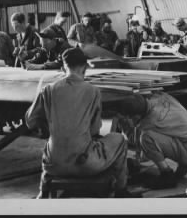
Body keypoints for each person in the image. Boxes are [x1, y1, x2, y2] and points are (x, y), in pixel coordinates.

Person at [25, 48, 131, 198]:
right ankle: (121, 190)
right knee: (119, 140)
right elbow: (95, 129)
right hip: (84, 163)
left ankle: (43, 191)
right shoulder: (92, 91)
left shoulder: (47, 90)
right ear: (85, 67)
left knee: (51, 144)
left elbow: (30, 122)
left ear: (63, 67)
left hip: (52, 164)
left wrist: (50, 125)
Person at [118, 93, 187, 189]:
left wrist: (123, 124)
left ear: (136, 115)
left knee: (146, 138)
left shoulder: (149, 122)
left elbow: (134, 140)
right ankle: (186, 164)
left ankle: (167, 174)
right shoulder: (160, 96)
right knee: (158, 135)